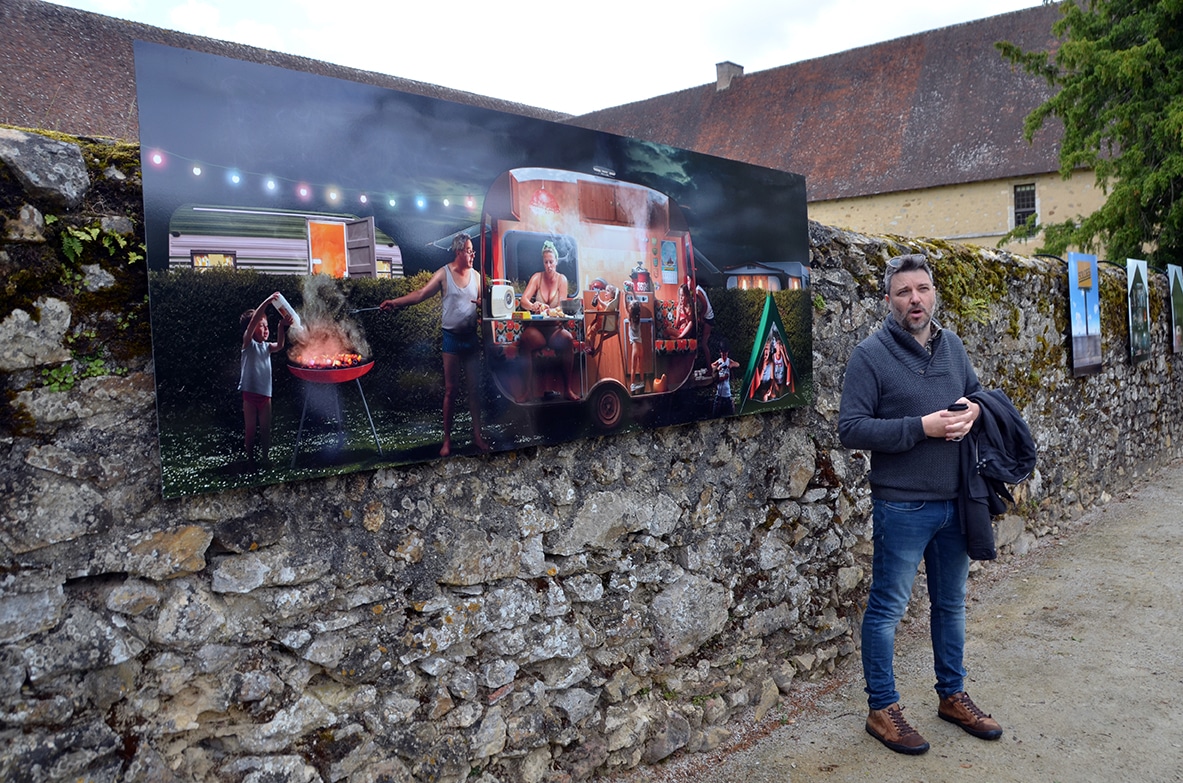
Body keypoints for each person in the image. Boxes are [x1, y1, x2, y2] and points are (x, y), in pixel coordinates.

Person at [837, 253, 1003, 755]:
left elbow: (976, 395)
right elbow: (850, 429)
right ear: (888, 299)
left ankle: (952, 695)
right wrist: (921, 428)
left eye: (923, 289)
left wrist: (973, 408)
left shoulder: (951, 346)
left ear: (934, 294)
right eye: (905, 291)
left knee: (950, 604)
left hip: (957, 498)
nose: (915, 299)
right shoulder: (869, 355)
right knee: (887, 609)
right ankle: (882, 709)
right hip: (903, 505)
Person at [381, 233, 489, 457]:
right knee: (451, 390)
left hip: (470, 339)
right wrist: (395, 302)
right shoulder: (444, 273)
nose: (472, 255)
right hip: (451, 338)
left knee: (474, 390)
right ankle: (447, 441)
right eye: (469, 250)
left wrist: (482, 305)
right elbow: (421, 294)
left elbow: (484, 304)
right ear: (458, 251)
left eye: (473, 251)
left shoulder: (477, 276)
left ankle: (477, 436)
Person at [518, 240, 578, 400]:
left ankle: (568, 389)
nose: (549, 265)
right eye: (546, 262)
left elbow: (562, 307)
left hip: (554, 330)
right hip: (537, 329)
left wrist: (549, 310)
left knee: (568, 338)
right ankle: (527, 391)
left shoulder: (562, 280)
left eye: (551, 262)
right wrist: (533, 305)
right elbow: (523, 300)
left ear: (556, 262)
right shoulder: (537, 277)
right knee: (525, 340)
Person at [239, 292, 291, 468]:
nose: (265, 329)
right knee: (251, 430)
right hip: (250, 395)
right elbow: (253, 320)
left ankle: (266, 459)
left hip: (265, 396)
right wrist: (268, 302)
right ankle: (251, 460)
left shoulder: (267, 347)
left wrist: (280, 326)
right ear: (251, 329)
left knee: (266, 430)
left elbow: (281, 345)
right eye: (261, 326)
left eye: (266, 325)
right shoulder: (248, 344)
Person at [710, 340, 739, 417]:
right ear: (720, 352)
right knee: (715, 415)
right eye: (723, 354)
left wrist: (731, 365)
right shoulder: (719, 361)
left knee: (731, 415)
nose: (724, 356)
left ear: (728, 353)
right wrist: (717, 368)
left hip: (727, 394)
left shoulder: (729, 361)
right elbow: (711, 365)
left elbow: (737, 364)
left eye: (725, 354)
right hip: (719, 393)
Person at [626, 298, 644, 393]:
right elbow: (638, 305)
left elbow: (625, 307)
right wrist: (633, 292)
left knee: (633, 368)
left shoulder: (630, 319)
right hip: (641, 346)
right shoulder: (638, 318)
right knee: (641, 367)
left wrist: (625, 294)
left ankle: (632, 386)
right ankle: (642, 384)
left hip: (635, 347)